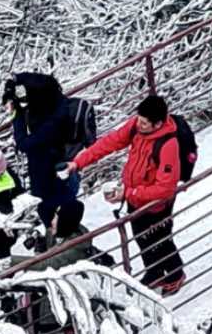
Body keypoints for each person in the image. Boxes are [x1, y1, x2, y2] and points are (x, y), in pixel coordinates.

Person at [71, 94, 195, 295]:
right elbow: (110, 142)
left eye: (144, 122)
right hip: (135, 196)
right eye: (139, 119)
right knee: (141, 236)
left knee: (160, 239)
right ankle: (154, 271)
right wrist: (79, 162)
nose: (139, 124)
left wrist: (127, 193)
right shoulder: (136, 127)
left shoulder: (168, 145)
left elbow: (165, 188)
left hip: (156, 204)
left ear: (158, 124)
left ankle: (174, 275)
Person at [2, 71, 95, 244]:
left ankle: (66, 249)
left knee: (56, 215)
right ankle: (66, 244)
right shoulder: (56, 103)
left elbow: (24, 143)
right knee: (62, 214)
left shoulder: (51, 122)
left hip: (50, 174)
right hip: (60, 170)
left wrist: (17, 116)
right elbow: (21, 82)